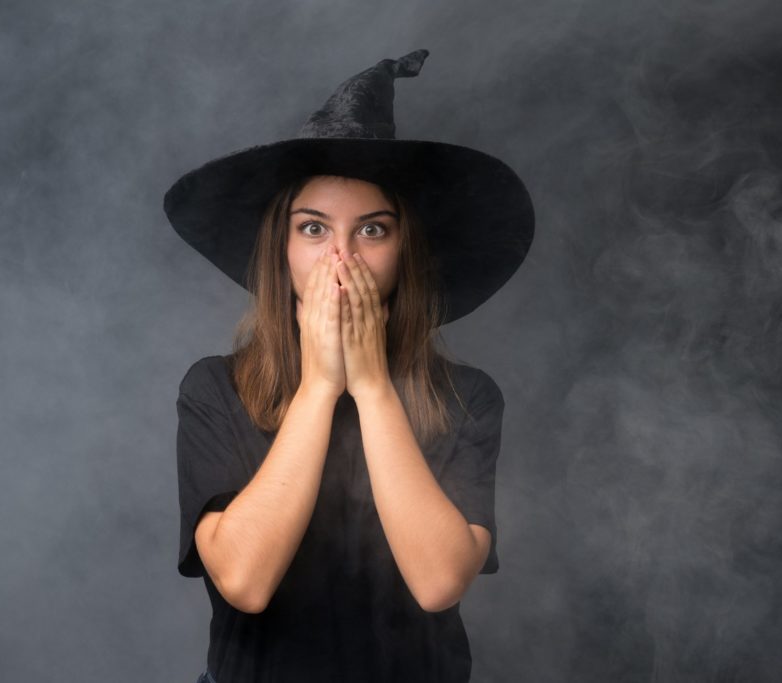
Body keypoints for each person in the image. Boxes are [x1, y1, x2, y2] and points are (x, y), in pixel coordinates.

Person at [164, 49, 534, 683]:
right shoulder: (214, 389)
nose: (341, 259)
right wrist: (318, 386)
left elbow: (440, 582)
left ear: (403, 249)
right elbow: (244, 582)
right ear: (279, 250)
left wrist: (370, 386)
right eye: (313, 229)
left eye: (371, 231)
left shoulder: (467, 397)